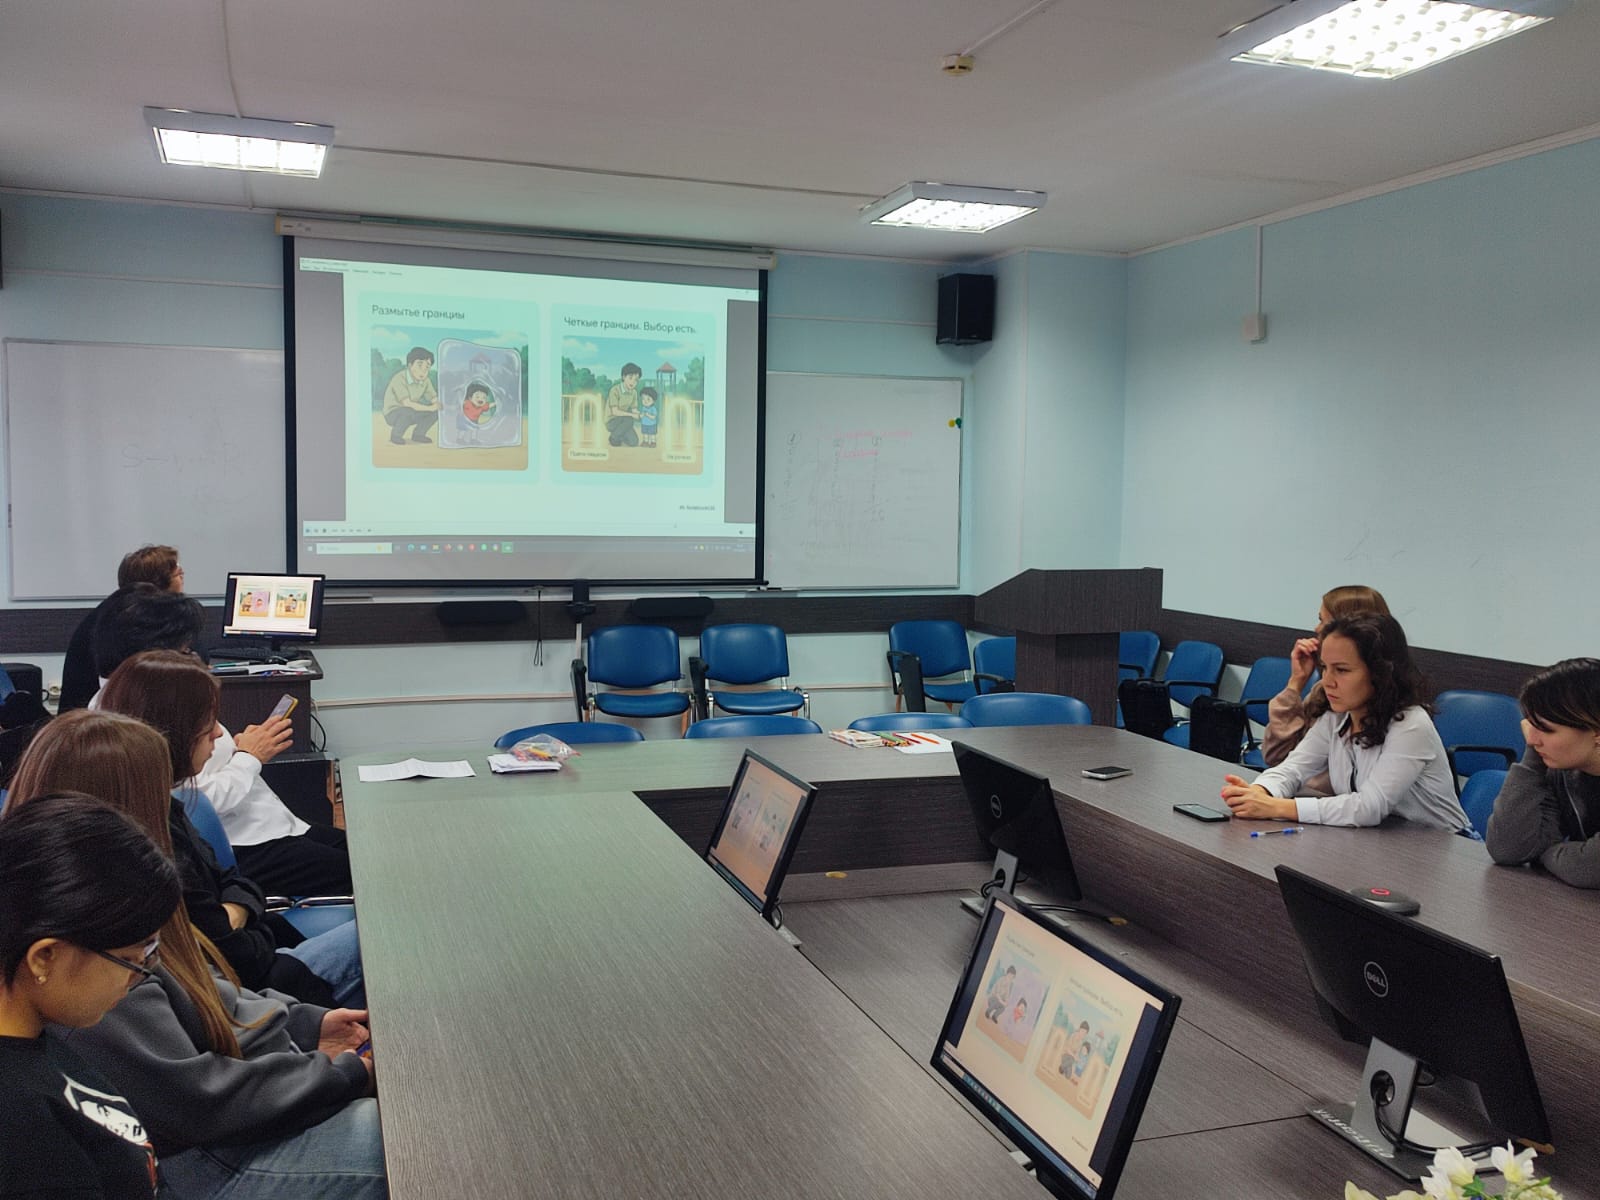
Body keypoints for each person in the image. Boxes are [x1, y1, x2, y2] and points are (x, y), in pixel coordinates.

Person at [10, 706, 363, 1007]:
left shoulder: (162, 823)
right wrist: (239, 913)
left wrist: (236, 912)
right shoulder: (137, 880)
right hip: (256, 985)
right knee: (383, 938)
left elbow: (236, 884)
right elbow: (237, 960)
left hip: (252, 966)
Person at [93, 604, 352, 898]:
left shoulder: (153, 700)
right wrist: (249, 757)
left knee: (360, 850)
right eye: (185, 650)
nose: (195, 655)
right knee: (362, 871)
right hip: (246, 843)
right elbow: (194, 800)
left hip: (267, 823)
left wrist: (240, 751)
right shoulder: (142, 722)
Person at [0, 793, 180, 1198]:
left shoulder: (37, 1032)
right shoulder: (22, 1134)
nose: (136, 979)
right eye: (129, 960)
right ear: (45, 957)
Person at [1220, 613, 1468, 831]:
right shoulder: (1337, 716)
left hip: (1446, 847)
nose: (1327, 681)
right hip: (1381, 837)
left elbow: (1370, 807)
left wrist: (1276, 807)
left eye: (1341, 670)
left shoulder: (1411, 724)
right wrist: (1258, 792)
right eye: (1324, 668)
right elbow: (1292, 768)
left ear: (1381, 673)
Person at [1260, 585, 1392, 796]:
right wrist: (1296, 682)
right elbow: (1278, 758)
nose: (1317, 629)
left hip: (1346, 809)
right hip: (1319, 805)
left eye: (1324, 621)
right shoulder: (1326, 695)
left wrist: (1283, 805)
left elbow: (1367, 803)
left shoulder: (1401, 716)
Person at [1485, 658, 1600, 888]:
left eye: (1546, 729)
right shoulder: (1562, 770)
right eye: (1531, 725)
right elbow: (1508, 849)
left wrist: (1546, 854)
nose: (1531, 738)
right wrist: (1533, 760)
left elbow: (1589, 869)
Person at [59, 544, 186, 714]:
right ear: (158, 582)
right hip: (98, 719)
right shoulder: (134, 623)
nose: (182, 579)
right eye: (178, 574)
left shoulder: (112, 611)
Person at [382, 346, 439, 445]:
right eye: (419, 365)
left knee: (436, 412)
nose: (423, 370)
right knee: (407, 411)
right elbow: (407, 403)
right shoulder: (400, 378)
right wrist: (430, 408)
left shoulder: (426, 381)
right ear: (410, 365)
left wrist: (440, 406)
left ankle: (418, 434)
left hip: (412, 411)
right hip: (392, 413)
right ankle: (396, 435)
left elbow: (433, 398)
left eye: (427, 367)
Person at [605, 362, 642, 447]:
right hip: (611, 421)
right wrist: (632, 415)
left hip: (624, 422)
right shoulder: (615, 390)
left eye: (636, 380)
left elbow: (634, 410)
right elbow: (615, 412)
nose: (633, 382)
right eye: (630, 378)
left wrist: (641, 415)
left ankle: (618, 436)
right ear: (623, 377)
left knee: (634, 442)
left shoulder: (634, 393)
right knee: (629, 420)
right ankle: (613, 437)